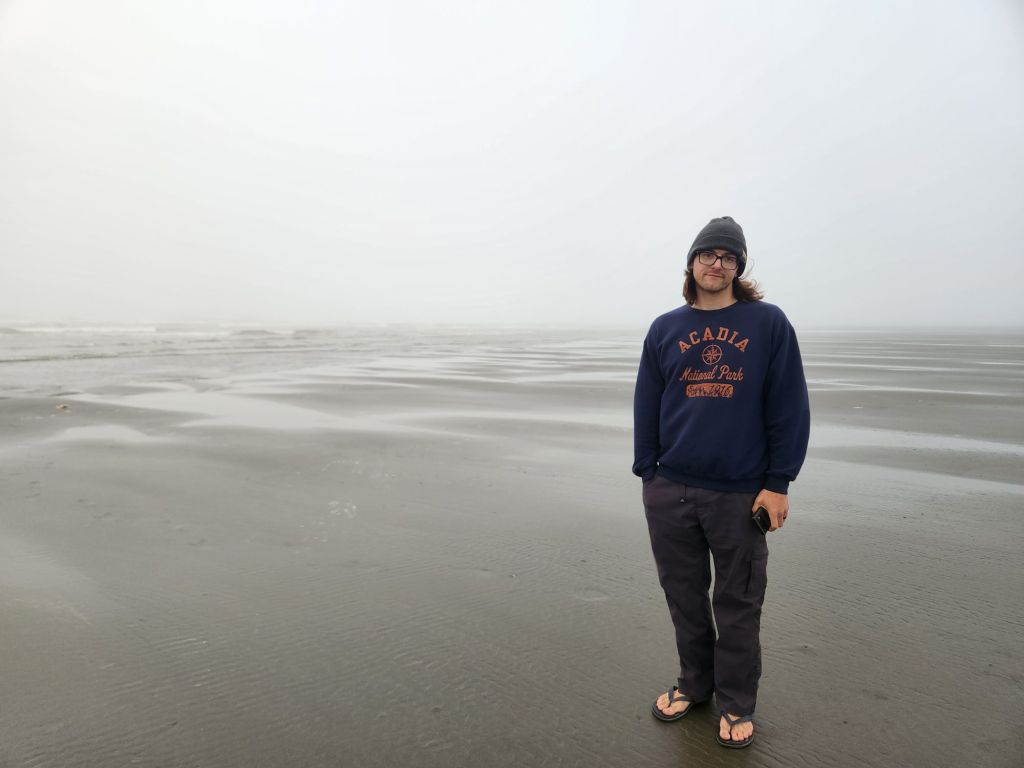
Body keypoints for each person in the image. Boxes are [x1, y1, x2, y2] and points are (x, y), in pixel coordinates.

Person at [632, 216, 810, 749]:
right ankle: (694, 684)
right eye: (708, 254)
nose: (718, 264)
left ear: (739, 267)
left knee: (738, 604)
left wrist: (778, 482)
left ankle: (735, 702)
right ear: (691, 263)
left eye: (729, 257)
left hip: (740, 493)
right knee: (684, 597)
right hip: (671, 489)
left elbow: (788, 405)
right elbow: (647, 402)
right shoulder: (665, 328)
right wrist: (648, 472)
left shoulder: (767, 323)